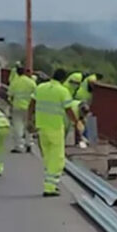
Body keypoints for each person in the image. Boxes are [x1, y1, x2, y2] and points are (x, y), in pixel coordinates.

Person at [28, 68, 80, 197]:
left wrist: (29, 119)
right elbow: (68, 110)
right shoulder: (63, 91)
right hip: (55, 128)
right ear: (63, 79)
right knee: (57, 159)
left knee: (47, 157)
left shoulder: (40, 87)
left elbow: (32, 104)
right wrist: (76, 122)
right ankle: (50, 187)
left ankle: (49, 182)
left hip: (41, 127)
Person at [8, 65, 37, 153]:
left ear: (17, 73)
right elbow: (36, 95)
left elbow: (10, 95)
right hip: (29, 107)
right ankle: (29, 144)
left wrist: (11, 105)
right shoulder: (31, 82)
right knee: (28, 125)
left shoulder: (15, 82)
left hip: (17, 106)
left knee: (18, 126)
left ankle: (19, 146)